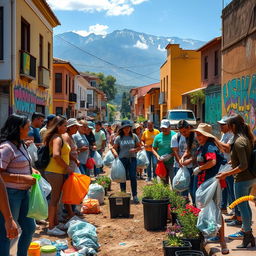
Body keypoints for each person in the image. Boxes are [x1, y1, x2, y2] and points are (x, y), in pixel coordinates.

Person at [216, 114, 256, 247]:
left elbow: (243, 165)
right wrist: (232, 161)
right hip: (250, 178)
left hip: (242, 180)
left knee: (242, 207)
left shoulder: (239, 142)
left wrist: (226, 173)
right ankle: (247, 233)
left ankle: (247, 235)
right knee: (245, 206)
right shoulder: (245, 138)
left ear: (233, 126)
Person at [0, 114, 37, 255]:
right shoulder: (6, 148)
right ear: (18, 129)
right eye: (27, 128)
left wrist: (32, 171)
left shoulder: (21, 144)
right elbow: (1, 175)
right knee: (7, 233)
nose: (30, 130)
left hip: (24, 194)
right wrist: (23, 178)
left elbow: (24, 164)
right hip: (10, 194)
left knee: (29, 228)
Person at [192, 123, 229, 254]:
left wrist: (200, 168)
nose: (198, 136)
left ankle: (223, 242)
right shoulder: (203, 146)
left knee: (217, 211)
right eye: (197, 134)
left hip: (213, 184)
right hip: (205, 183)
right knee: (205, 210)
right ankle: (208, 235)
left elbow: (212, 162)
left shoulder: (210, 146)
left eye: (201, 134)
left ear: (206, 136)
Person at [44, 116, 72, 236]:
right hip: (55, 172)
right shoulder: (57, 139)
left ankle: (54, 223)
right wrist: (66, 167)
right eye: (65, 125)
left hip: (56, 172)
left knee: (56, 199)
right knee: (54, 200)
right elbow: (56, 155)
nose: (66, 127)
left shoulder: (58, 137)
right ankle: (51, 227)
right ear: (58, 126)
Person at [217, 116, 241, 226]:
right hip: (226, 166)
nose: (221, 127)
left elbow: (227, 149)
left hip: (231, 168)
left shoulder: (232, 135)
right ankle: (235, 214)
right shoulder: (224, 134)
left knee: (233, 192)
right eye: (220, 125)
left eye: (223, 125)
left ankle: (238, 216)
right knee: (229, 191)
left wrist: (216, 141)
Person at [111, 120, 141, 204]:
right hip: (122, 160)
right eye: (125, 128)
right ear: (122, 129)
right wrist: (115, 154)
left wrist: (135, 149)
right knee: (122, 177)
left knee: (133, 177)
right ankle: (123, 194)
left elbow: (139, 147)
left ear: (130, 128)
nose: (127, 129)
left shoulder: (134, 136)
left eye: (128, 127)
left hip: (132, 159)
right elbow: (114, 148)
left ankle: (135, 195)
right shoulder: (118, 138)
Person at [152, 119, 176, 184]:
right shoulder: (157, 137)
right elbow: (153, 148)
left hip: (172, 162)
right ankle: (165, 194)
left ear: (169, 127)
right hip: (162, 163)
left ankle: (175, 193)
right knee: (163, 182)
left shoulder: (175, 135)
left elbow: (178, 149)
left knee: (174, 180)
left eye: (165, 128)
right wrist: (157, 156)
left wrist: (171, 155)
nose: (164, 130)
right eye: (162, 128)